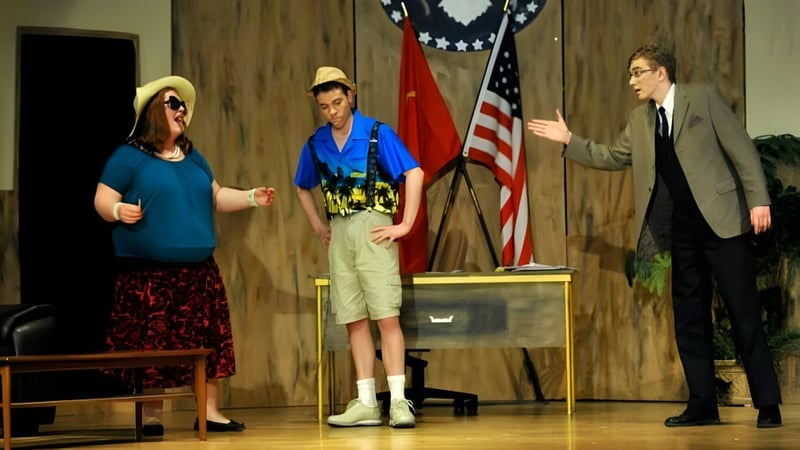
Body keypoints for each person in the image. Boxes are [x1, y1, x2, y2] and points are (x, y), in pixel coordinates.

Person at [527, 42, 782, 428]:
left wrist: (758, 200)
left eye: (638, 72)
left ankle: (767, 405)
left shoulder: (703, 98)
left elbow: (742, 149)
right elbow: (612, 155)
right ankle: (703, 405)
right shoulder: (639, 120)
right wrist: (570, 141)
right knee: (688, 319)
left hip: (723, 222)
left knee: (743, 312)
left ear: (661, 72)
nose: (632, 81)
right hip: (681, 230)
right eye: (630, 74)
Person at [94, 75, 276, 435]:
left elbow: (217, 196)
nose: (182, 110)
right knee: (153, 347)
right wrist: (118, 212)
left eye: (183, 106)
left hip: (198, 274)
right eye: (173, 104)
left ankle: (209, 412)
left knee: (208, 345)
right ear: (153, 112)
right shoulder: (129, 157)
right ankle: (151, 417)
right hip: (149, 276)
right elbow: (102, 199)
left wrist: (252, 196)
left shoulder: (194, 158)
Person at [294, 66, 423, 428]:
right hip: (340, 229)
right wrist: (319, 225)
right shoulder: (316, 143)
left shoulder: (376, 134)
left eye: (337, 102)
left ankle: (398, 401)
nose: (332, 111)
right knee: (353, 318)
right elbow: (302, 186)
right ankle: (367, 400)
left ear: (351, 96)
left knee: (386, 314)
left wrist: (405, 224)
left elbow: (414, 173)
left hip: (373, 226)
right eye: (324, 106)